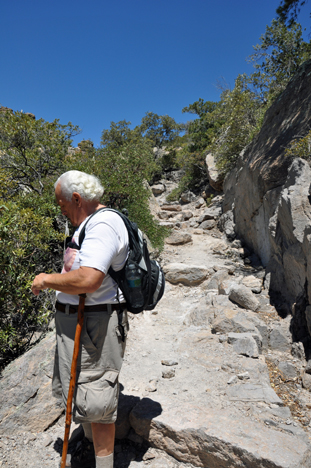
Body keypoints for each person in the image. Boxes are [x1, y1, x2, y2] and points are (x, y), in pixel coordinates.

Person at [31, 170, 129, 468]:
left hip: (95, 324)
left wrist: (46, 280)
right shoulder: (91, 224)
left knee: (96, 398)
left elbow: (88, 280)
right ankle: (87, 445)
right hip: (82, 321)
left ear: (76, 198)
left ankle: (103, 464)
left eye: (62, 203)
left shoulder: (103, 224)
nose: (60, 208)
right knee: (82, 388)